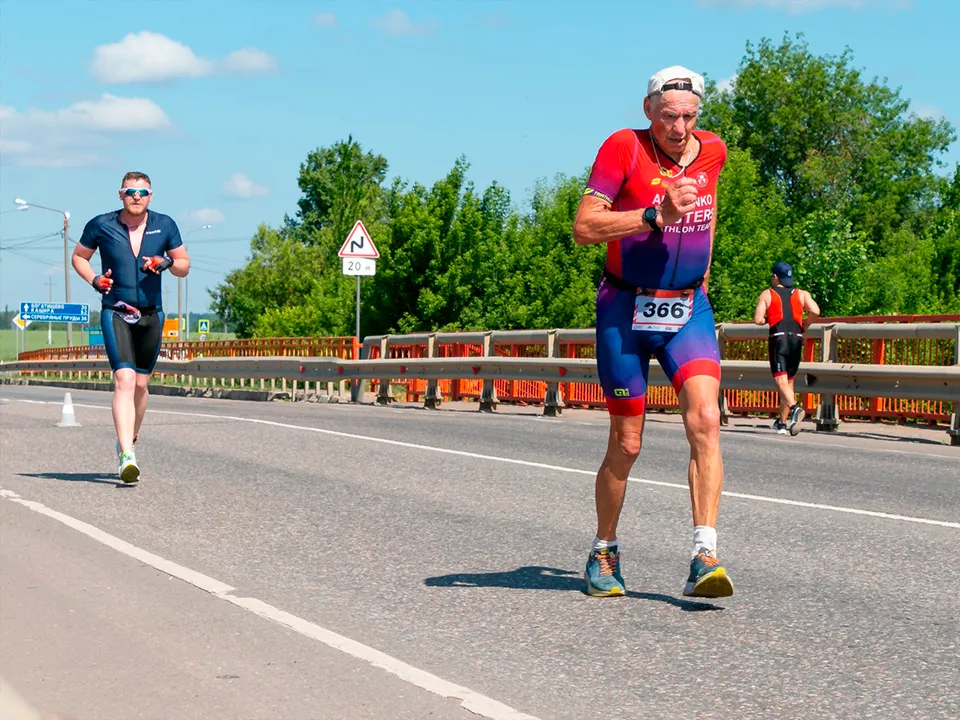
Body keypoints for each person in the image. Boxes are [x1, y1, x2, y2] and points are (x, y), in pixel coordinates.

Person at [572, 66, 733, 599]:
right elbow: (584, 228)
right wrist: (651, 215)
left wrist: (702, 274)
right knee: (628, 441)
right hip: (625, 308)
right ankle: (604, 548)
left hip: (688, 310)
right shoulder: (624, 147)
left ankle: (704, 553)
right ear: (648, 111)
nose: (679, 127)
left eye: (689, 116)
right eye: (669, 117)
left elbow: (707, 217)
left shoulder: (714, 151)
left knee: (706, 419)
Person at [71, 172, 190, 483]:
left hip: (152, 315)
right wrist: (94, 279)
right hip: (117, 312)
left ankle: (130, 438)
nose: (136, 196)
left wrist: (165, 262)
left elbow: (184, 265)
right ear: (120, 194)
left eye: (143, 192)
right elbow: (79, 257)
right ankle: (127, 455)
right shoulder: (101, 224)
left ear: (151, 196)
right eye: (130, 191)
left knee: (139, 385)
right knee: (124, 380)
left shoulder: (165, 224)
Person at [753, 262, 820, 436]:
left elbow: (758, 319)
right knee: (788, 383)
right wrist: (805, 324)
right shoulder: (802, 294)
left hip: (779, 339)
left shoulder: (768, 294)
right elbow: (815, 310)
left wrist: (769, 319)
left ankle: (795, 409)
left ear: (775, 277)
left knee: (780, 381)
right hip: (796, 339)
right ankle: (782, 423)